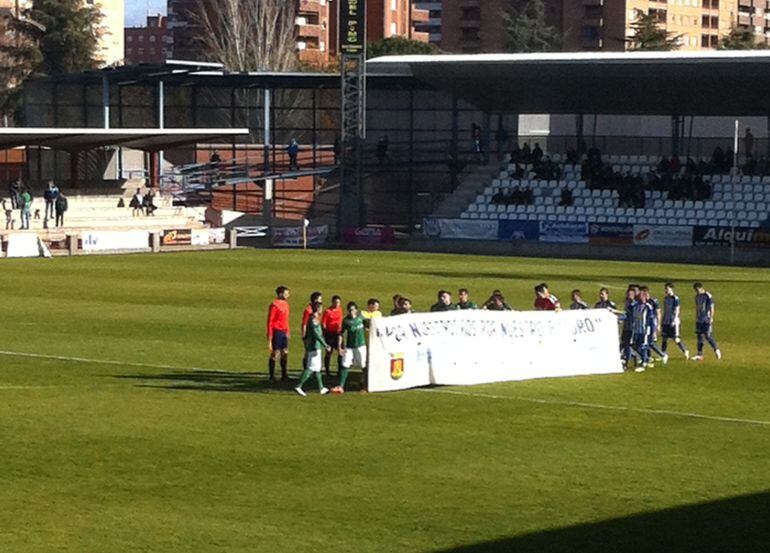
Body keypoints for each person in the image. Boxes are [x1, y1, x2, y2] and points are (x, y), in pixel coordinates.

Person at [294, 301, 331, 396]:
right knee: (311, 368)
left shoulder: (314, 318)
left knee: (317, 368)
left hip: (315, 346)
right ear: (318, 309)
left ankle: (321, 387)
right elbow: (316, 334)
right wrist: (325, 344)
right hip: (314, 346)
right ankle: (299, 386)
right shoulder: (314, 319)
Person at [334, 302, 367, 394]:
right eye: (349, 310)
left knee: (363, 365)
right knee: (345, 364)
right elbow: (341, 333)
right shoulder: (346, 321)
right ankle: (341, 386)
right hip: (350, 346)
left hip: (361, 345)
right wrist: (340, 347)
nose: (351, 312)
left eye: (352, 309)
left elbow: (369, 325)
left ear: (356, 310)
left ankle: (364, 385)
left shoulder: (361, 318)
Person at [266, 286, 291, 382]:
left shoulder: (286, 304)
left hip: (284, 331)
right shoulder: (274, 305)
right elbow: (270, 321)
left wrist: (288, 331)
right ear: (280, 294)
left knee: (285, 352)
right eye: (286, 293)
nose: (288, 295)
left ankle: (284, 375)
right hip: (277, 331)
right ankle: (271, 376)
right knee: (275, 353)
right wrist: (270, 336)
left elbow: (286, 319)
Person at [693, 282, 721, 362]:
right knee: (699, 337)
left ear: (701, 288)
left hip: (706, 319)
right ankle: (699, 354)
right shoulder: (697, 297)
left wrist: (711, 318)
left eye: (697, 290)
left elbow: (712, 307)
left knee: (708, 336)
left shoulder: (708, 296)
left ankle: (716, 350)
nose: (696, 291)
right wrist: (696, 317)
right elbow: (697, 308)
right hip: (699, 319)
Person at [661, 283, 690, 361]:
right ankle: (663, 354)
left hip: (673, 321)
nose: (666, 290)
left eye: (667, 289)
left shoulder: (675, 298)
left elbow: (677, 310)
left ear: (671, 289)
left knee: (676, 338)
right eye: (665, 289)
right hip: (666, 321)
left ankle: (685, 351)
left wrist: (674, 319)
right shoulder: (665, 298)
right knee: (664, 338)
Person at [630, 287, 654, 372]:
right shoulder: (635, 306)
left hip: (645, 330)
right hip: (636, 330)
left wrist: (653, 331)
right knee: (634, 346)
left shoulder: (648, 307)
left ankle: (643, 363)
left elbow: (651, 320)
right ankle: (646, 359)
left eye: (640, 295)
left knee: (643, 346)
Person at [322, 295, 343, 377]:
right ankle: (327, 370)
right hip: (330, 334)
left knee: (340, 351)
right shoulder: (328, 311)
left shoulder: (340, 310)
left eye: (338, 303)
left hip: (338, 333)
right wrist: (325, 333)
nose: (337, 304)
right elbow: (323, 323)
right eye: (336, 302)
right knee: (329, 352)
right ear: (332, 302)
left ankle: (340, 370)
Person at [301, 292, 323, 369]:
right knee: (307, 352)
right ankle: (306, 369)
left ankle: (313, 368)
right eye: (320, 299)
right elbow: (304, 324)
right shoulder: (308, 310)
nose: (321, 301)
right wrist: (304, 336)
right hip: (310, 334)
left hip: (316, 332)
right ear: (315, 300)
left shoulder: (318, 308)